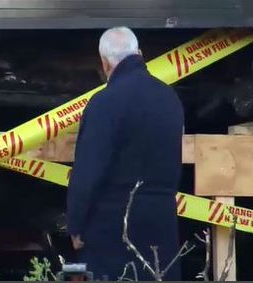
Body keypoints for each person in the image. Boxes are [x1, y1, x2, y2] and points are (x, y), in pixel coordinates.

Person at [66, 26, 185, 281]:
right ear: (139, 53)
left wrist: (75, 225)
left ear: (105, 64)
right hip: (162, 221)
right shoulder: (170, 98)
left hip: (113, 226)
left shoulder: (104, 102)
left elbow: (88, 172)